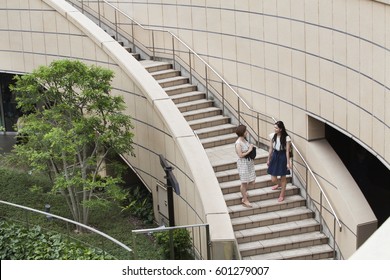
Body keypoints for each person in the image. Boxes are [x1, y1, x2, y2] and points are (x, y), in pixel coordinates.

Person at [267, 121, 291, 202]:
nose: (275, 129)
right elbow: (270, 148)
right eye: (274, 127)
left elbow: (287, 151)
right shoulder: (272, 136)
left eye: (276, 128)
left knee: (283, 177)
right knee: (273, 179)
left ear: (281, 129)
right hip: (275, 155)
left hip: (283, 156)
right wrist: (268, 158)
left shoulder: (286, 138)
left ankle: (282, 194)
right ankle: (280, 184)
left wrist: (288, 162)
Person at [235, 124, 256, 207]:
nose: (247, 132)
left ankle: (244, 192)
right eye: (245, 131)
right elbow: (240, 155)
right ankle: (245, 199)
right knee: (244, 182)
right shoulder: (238, 143)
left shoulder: (244, 140)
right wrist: (250, 149)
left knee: (252, 181)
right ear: (243, 132)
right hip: (243, 163)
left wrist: (250, 147)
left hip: (249, 163)